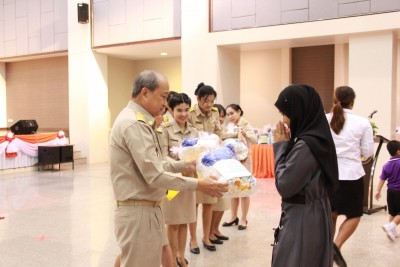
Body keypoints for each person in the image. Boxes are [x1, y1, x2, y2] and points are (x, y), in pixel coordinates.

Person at [109, 70, 228, 267]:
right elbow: (155, 175)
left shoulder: (139, 121)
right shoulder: (134, 124)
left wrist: (185, 164)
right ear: (145, 93)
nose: (166, 104)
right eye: (163, 97)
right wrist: (199, 184)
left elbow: (157, 162)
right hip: (139, 211)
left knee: (159, 255)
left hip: (148, 208)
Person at [271, 84, 339, 267]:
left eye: (284, 114)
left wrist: (279, 146)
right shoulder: (317, 137)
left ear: (297, 112)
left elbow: (285, 185)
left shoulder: (306, 145)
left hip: (303, 217)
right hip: (314, 212)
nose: (283, 120)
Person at [327, 85, 374, 267]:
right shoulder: (363, 123)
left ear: (334, 99)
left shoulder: (324, 119)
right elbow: (367, 152)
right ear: (353, 101)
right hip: (352, 175)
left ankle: (327, 250)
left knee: (331, 214)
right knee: (354, 214)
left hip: (329, 175)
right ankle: (335, 246)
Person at [160, 93, 198, 267]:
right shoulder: (165, 129)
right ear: (171, 109)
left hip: (190, 182)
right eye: (179, 110)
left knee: (185, 221)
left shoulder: (194, 131)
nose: (183, 114)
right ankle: (172, 259)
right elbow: (163, 157)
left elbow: (199, 154)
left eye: (186, 110)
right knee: (173, 224)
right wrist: (181, 165)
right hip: (174, 182)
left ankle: (181, 256)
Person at [187, 82, 223, 253]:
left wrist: (233, 137)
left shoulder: (214, 113)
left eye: (212, 101)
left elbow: (219, 132)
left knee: (209, 202)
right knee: (193, 204)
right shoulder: (190, 114)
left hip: (210, 162)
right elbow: (189, 138)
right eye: (206, 101)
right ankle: (193, 239)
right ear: (199, 99)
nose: (209, 105)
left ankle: (206, 236)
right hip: (195, 163)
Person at [222, 104, 257, 230]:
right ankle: (233, 216)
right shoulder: (229, 126)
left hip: (245, 161)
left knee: (244, 190)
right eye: (228, 114)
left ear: (239, 111)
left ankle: (243, 219)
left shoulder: (245, 124)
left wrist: (243, 133)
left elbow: (255, 140)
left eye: (232, 113)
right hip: (233, 161)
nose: (230, 116)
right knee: (233, 189)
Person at [209, 103, 231, 241]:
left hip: (224, 168)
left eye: (223, 116)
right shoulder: (211, 131)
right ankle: (210, 231)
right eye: (219, 116)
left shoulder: (224, 130)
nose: (221, 119)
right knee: (216, 203)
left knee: (224, 202)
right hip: (214, 169)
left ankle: (216, 228)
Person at [375, 140, 400, 241]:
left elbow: (382, 179)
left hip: (390, 192)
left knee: (393, 213)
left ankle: (392, 232)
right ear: (398, 152)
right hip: (399, 191)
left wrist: (378, 190)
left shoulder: (386, 165)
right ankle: (390, 227)